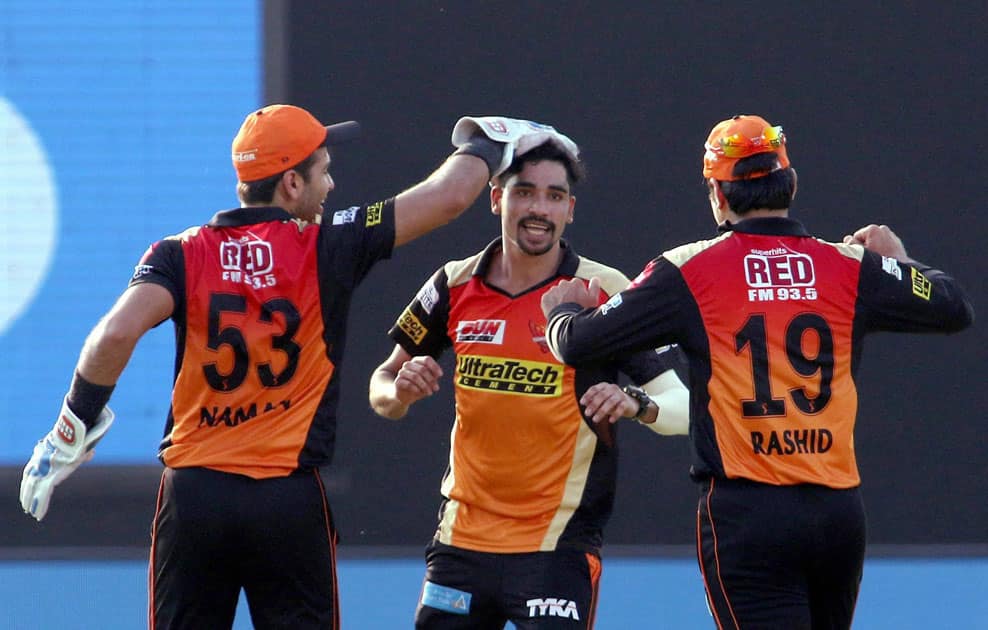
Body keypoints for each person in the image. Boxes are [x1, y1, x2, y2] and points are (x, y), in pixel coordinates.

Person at [18, 105, 566, 629]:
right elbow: (447, 198)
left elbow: (114, 333)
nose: (331, 185)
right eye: (323, 172)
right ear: (292, 185)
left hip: (194, 496)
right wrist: (487, 141)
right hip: (285, 500)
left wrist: (74, 425)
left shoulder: (179, 252)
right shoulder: (327, 244)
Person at [539, 114, 975, 629]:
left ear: (718, 196)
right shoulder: (849, 265)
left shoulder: (689, 270)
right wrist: (902, 264)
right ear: (789, 183)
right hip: (837, 515)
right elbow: (952, 307)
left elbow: (579, 344)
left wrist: (562, 313)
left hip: (748, 513)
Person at [368, 131, 690, 629]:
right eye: (524, 192)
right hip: (461, 543)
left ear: (570, 209)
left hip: (556, 548)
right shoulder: (454, 283)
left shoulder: (601, 290)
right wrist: (400, 391)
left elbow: (682, 406)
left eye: (554, 196)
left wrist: (635, 403)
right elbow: (382, 385)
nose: (539, 208)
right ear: (496, 198)